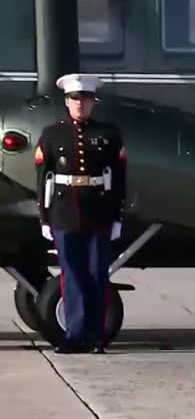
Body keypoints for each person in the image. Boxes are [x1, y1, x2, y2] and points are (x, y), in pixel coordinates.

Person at [32, 73, 127, 355]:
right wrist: (44, 217)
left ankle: (95, 336)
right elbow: (42, 177)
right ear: (66, 101)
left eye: (85, 99)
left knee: (97, 273)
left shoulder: (108, 135)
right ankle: (74, 335)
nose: (79, 104)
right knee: (71, 275)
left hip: (98, 211)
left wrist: (117, 217)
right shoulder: (52, 134)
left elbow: (119, 178)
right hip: (63, 211)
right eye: (74, 99)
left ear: (92, 102)